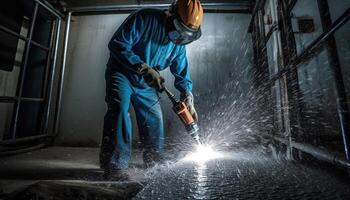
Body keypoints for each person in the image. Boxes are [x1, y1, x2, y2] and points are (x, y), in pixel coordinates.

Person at [100, 0, 203, 179]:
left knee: (154, 119)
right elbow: (117, 44)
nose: (180, 37)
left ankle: (154, 161)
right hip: (122, 73)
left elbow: (181, 71)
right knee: (119, 110)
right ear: (171, 15)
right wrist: (143, 67)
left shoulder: (179, 43)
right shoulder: (144, 17)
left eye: (185, 34)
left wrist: (187, 94)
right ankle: (114, 165)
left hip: (146, 83)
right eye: (180, 30)